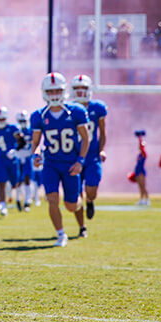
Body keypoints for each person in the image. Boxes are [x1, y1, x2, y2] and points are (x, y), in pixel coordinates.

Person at [30, 72, 90, 247]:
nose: (54, 95)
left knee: (71, 206)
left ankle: (81, 203)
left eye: (57, 91)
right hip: (51, 164)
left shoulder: (76, 111)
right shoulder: (39, 115)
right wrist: (35, 154)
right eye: (51, 91)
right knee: (52, 199)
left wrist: (80, 161)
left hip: (71, 164)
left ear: (63, 91)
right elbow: (36, 142)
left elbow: (86, 139)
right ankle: (60, 234)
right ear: (44, 93)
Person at [69, 74, 107, 232]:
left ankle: (90, 201)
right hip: (73, 157)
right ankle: (82, 227)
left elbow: (102, 132)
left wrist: (102, 150)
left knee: (91, 190)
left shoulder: (97, 108)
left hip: (91, 157)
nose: (80, 91)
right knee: (76, 194)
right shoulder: (67, 109)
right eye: (77, 88)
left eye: (83, 88)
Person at [0, 106, 23, 216]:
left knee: (15, 182)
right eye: (0, 119)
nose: (1, 121)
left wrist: (15, 150)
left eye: (3, 119)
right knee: (1, 182)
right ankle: (3, 205)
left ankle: (18, 199)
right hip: (0, 159)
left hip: (12, 159)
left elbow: (21, 141)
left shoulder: (12, 128)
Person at [16, 110, 36, 211]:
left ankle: (27, 201)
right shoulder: (16, 131)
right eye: (21, 120)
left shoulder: (30, 131)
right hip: (18, 157)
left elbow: (34, 142)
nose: (22, 122)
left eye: (24, 120)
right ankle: (18, 199)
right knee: (19, 180)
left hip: (27, 156)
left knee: (27, 178)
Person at [128, 130, 149, 205]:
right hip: (137, 171)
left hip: (141, 171)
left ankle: (147, 199)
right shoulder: (139, 155)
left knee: (143, 186)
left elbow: (141, 147)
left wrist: (140, 138)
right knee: (140, 186)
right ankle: (141, 199)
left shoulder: (144, 154)